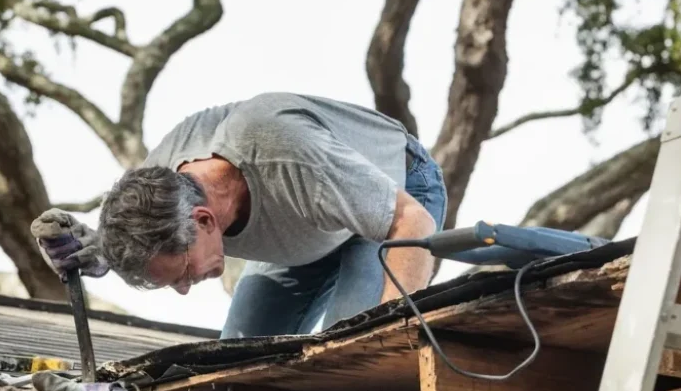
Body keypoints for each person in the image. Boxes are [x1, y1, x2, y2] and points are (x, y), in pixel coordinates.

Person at [30, 91, 447, 338]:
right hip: (310, 220)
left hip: (396, 195)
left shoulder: (286, 153)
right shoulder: (156, 189)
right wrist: (93, 252)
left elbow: (411, 222)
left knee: (354, 343)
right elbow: (135, 244)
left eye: (184, 273)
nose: (185, 289)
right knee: (235, 361)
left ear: (205, 220)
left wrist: (393, 340)